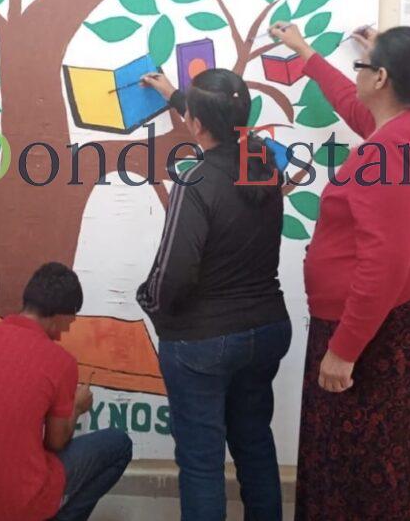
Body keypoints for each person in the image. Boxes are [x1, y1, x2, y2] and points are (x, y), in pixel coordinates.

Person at [270, 22, 410, 520]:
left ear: (380, 78)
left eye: (361, 66)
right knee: (390, 452)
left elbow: (385, 261)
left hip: (376, 327)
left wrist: (344, 350)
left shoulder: (389, 149)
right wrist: (307, 54)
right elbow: (351, 105)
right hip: (403, 311)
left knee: (355, 462)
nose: (354, 75)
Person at [137, 68, 292, 521]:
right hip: (266, 329)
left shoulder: (195, 182)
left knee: (202, 463)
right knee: (254, 443)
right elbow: (223, 126)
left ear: (197, 123)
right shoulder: (266, 166)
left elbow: (173, 276)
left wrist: (151, 303)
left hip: (204, 342)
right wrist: (175, 96)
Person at [0, 262, 133, 521]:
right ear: (59, 316)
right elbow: (55, 442)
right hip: (19, 500)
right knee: (119, 445)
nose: (65, 332)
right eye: (69, 322)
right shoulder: (60, 361)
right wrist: (77, 407)